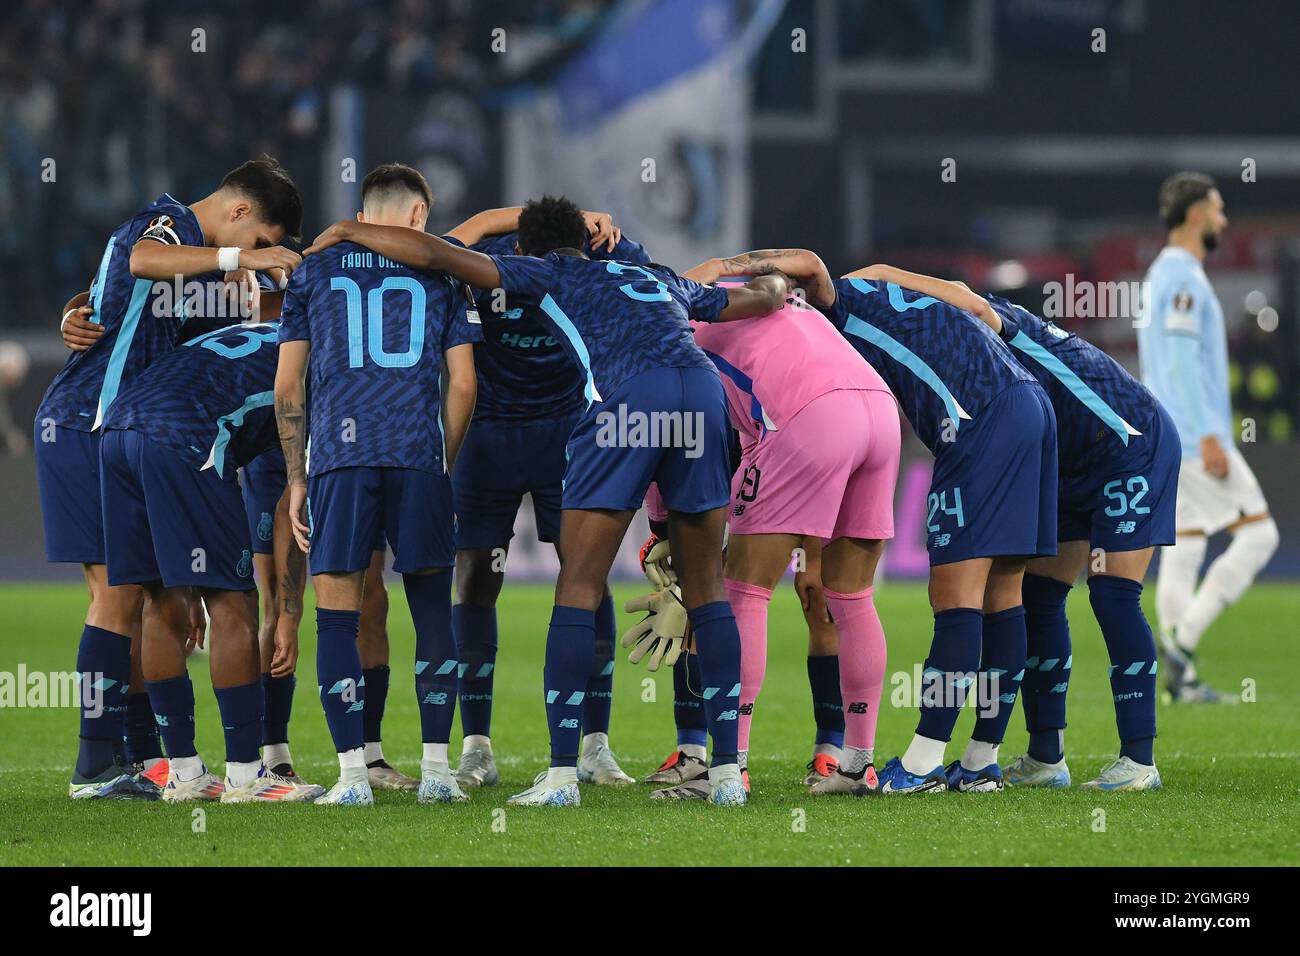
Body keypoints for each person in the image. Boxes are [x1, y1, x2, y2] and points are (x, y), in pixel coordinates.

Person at [303, 198, 791, 807]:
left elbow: (436, 253)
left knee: (579, 585)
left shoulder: (548, 273)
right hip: (702, 396)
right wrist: (767, 273)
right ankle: (724, 779)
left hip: (629, 405)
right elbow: (761, 295)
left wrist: (352, 230)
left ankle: (561, 778)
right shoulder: (657, 275)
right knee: (706, 588)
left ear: (530, 250)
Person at [721, 249, 1056, 794]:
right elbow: (967, 298)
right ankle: (979, 761)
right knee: (1005, 593)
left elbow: (808, 264)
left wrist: (727, 265)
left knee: (957, 595)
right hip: (1030, 400)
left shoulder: (838, 308)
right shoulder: (879, 286)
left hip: (975, 419)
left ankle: (922, 763)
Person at [35, 159, 303, 799]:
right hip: (82, 421)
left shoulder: (187, 259)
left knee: (146, 599)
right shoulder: (169, 225)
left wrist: (75, 311)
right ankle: (97, 764)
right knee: (117, 599)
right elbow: (143, 262)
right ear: (239, 214)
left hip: (119, 425)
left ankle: (148, 762)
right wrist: (244, 258)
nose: (260, 257)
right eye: (264, 239)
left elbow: (117, 303)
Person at [863, 264, 1180, 791]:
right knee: (1038, 595)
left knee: (1113, 596)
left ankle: (1139, 761)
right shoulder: (989, 357)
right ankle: (1045, 757)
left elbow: (967, 300)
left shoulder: (999, 322)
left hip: (1132, 446)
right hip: (1070, 460)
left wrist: (884, 277)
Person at [635, 257, 899, 798]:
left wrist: (662, 528)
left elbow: (676, 433)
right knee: (851, 597)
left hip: (808, 418)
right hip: (880, 411)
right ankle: (858, 765)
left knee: (741, 592)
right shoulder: (766, 301)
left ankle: (730, 768)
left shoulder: (671, 329)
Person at [276, 163, 481, 807]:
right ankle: (439, 773)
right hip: (417, 459)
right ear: (420, 219)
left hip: (340, 457)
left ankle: (352, 778)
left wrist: (296, 477)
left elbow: (287, 386)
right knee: (431, 613)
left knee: (337, 619)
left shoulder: (313, 271)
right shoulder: (443, 275)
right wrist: (437, 457)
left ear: (363, 214)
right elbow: (467, 386)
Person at [445, 197, 644, 790]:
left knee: (585, 576)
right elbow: (441, 249)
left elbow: (652, 285)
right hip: (490, 435)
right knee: (477, 578)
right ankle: (476, 746)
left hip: (570, 430)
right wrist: (503, 218)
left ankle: (595, 745)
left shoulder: (603, 251)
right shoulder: (489, 257)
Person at [99, 316, 323, 802]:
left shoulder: (267, 330)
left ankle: (185, 773)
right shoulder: (325, 364)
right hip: (185, 437)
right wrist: (288, 613)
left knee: (160, 595)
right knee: (233, 603)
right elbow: (293, 504)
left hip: (117, 429)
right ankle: (246, 776)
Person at [1138, 172, 1278, 703]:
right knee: (1261, 536)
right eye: (1218, 209)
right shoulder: (1182, 279)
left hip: (1171, 436)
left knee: (1187, 545)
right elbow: (1177, 365)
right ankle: (1181, 647)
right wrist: (1208, 436)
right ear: (1195, 214)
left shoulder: (1163, 276)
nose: (1224, 219)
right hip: (1195, 437)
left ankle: (1182, 680)